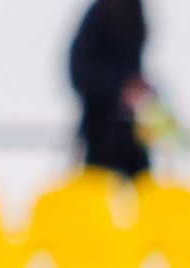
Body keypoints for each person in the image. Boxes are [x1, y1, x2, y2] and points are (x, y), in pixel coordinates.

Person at [69, 0, 153, 178]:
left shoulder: (133, 12)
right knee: (97, 183)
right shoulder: (102, 14)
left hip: (128, 120)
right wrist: (121, 87)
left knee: (143, 183)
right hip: (102, 121)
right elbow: (82, 72)